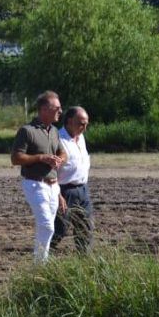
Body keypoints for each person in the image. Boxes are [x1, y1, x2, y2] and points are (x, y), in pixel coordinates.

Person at [11, 91, 67, 261]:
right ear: (44, 109)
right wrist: (41, 158)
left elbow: (63, 153)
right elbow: (16, 158)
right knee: (47, 226)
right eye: (57, 108)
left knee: (48, 228)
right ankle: (39, 266)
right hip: (35, 185)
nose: (61, 111)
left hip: (53, 185)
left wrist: (59, 160)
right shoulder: (27, 131)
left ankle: (42, 262)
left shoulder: (55, 131)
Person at [53, 106, 94, 252]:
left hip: (83, 190)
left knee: (85, 228)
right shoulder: (57, 139)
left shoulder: (80, 137)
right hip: (64, 192)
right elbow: (51, 170)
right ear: (69, 121)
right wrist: (58, 195)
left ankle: (85, 260)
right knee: (60, 229)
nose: (85, 127)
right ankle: (44, 256)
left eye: (86, 123)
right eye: (81, 123)